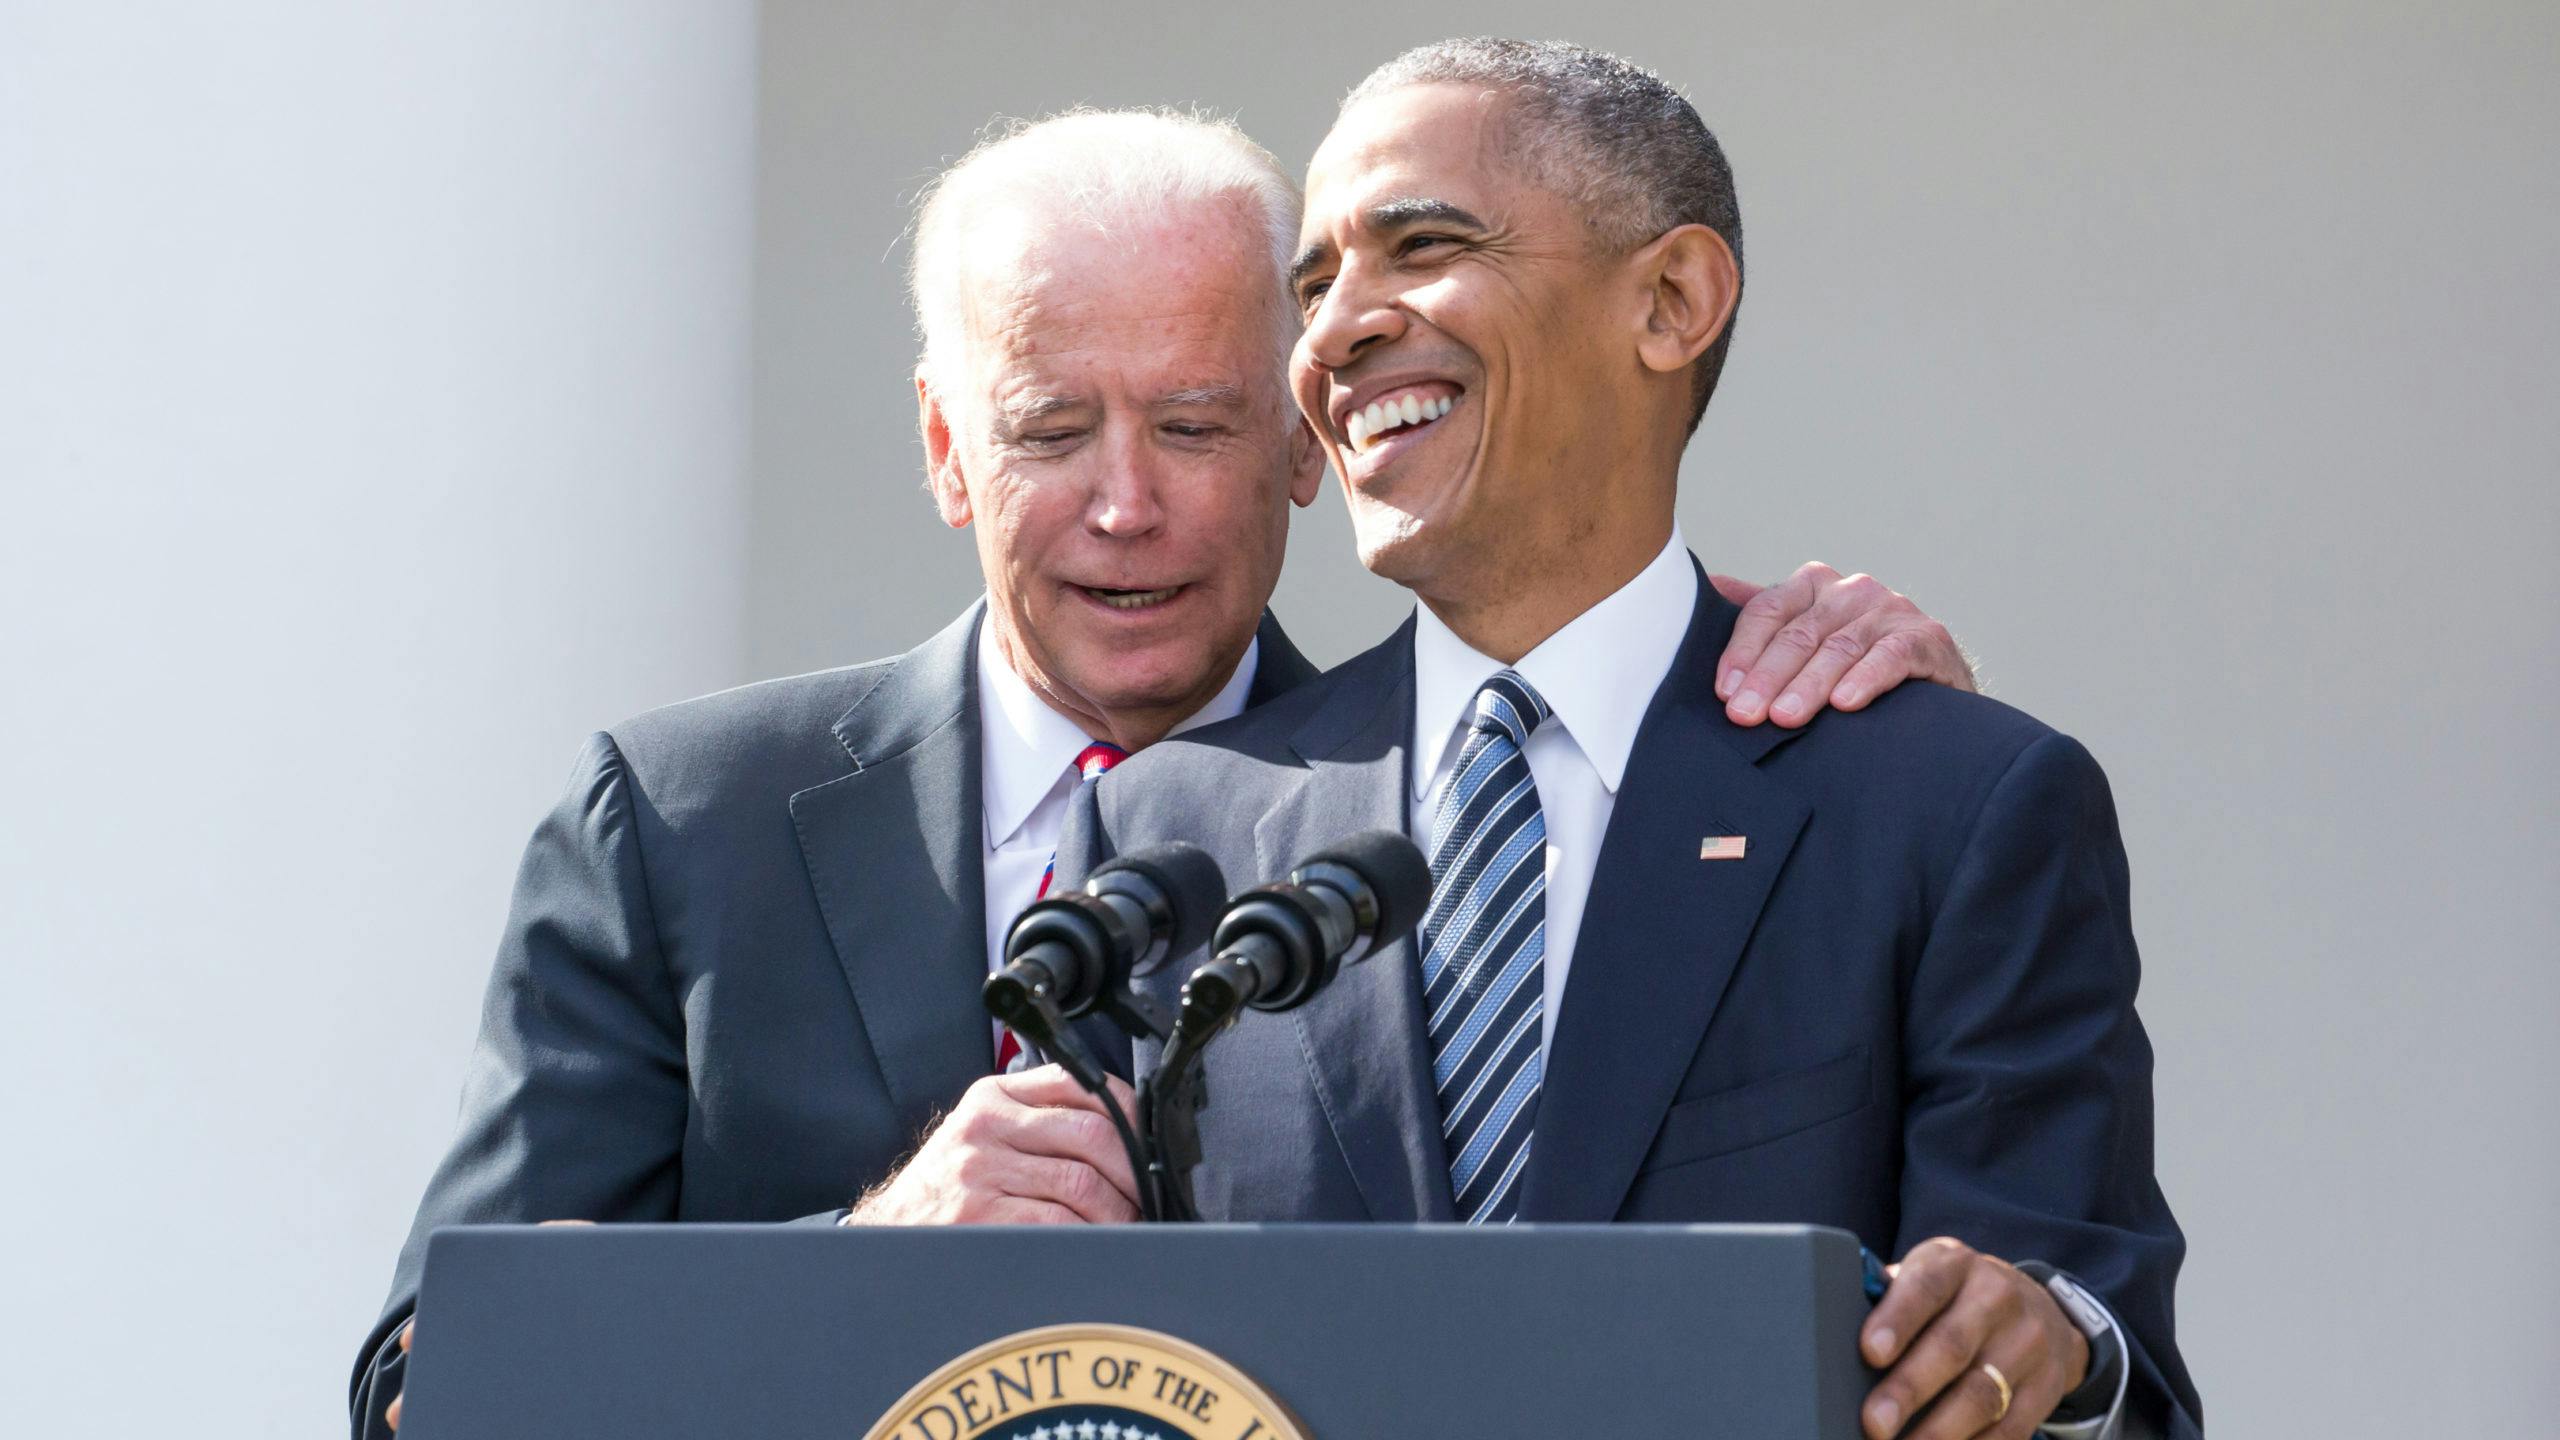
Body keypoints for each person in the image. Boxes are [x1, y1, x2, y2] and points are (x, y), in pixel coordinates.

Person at [350, 108, 1977, 1436]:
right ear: (942, 447)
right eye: (1053, 431)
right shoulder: (685, 823)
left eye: (1197, 428)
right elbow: (425, 1383)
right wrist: (866, 1257)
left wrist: (1800, 702)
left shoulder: (1470, 809)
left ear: (1301, 440)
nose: (1128, 508)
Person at [1064, 41, 2201, 1440]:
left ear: (1672, 300)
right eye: (1314, 287)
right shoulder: (1175, 833)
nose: (1338, 330)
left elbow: (2099, 1356)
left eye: (1421, 246)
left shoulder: (1949, 808)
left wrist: (2045, 1347)